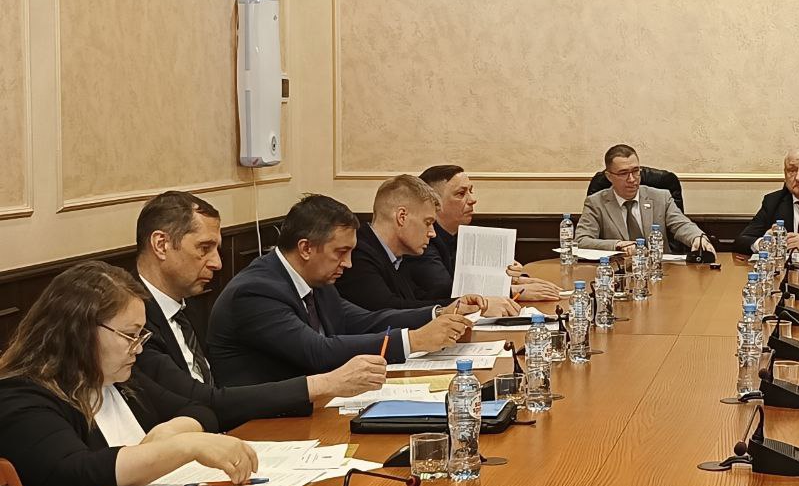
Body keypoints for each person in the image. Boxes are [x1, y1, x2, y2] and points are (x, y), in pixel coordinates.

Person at [0, 262, 259, 486]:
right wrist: (185, 446)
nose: (138, 348)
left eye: (140, 335)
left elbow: (200, 410)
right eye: (129, 335)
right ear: (80, 330)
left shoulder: (118, 378)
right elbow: (77, 473)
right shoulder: (20, 396)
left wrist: (170, 431)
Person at [135, 191, 387, 429]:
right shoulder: (133, 322)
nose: (217, 263)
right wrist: (325, 384)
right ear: (161, 244)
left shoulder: (185, 306)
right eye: (204, 248)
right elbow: (203, 400)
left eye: (217, 250)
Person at [208, 194, 474, 387]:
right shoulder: (256, 291)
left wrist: (436, 314)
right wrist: (413, 341)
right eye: (341, 252)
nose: (348, 264)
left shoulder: (315, 279)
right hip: (260, 426)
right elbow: (317, 351)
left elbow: (360, 320)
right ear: (306, 248)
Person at [335, 175, 517, 317]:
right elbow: (388, 309)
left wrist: (467, 302)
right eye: (428, 222)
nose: (432, 233)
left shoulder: (396, 254)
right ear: (402, 217)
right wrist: (463, 308)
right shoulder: (357, 252)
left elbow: (419, 298)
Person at [402, 165, 561, 303]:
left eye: (470, 191)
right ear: (435, 202)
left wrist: (514, 278)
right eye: (461, 194)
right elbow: (444, 289)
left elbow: (472, 279)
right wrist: (512, 291)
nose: (472, 200)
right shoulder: (423, 238)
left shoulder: (460, 234)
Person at [576, 144, 715, 257]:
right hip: (617, 273)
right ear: (609, 176)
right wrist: (618, 245)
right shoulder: (596, 203)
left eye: (636, 171)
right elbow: (582, 240)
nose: (632, 179)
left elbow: (681, 225)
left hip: (661, 272)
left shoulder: (661, 197)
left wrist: (697, 238)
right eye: (623, 173)